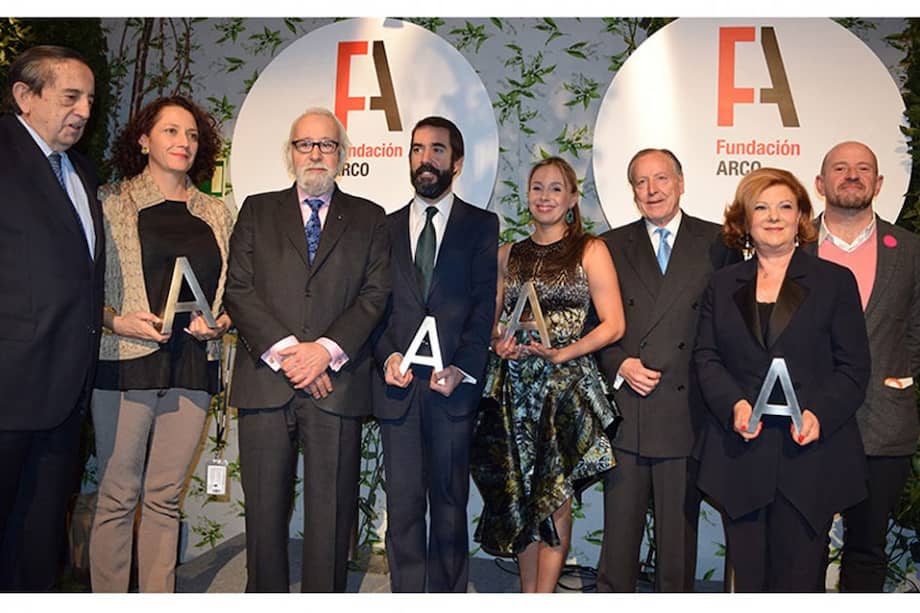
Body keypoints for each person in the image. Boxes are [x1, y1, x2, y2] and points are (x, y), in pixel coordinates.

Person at [224, 106, 390, 593]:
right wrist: (294, 353)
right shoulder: (256, 209)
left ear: (342, 154)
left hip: (335, 385)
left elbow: (375, 295)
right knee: (265, 508)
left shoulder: (369, 218)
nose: (316, 153)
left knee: (331, 512)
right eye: (305, 144)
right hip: (266, 381)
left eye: (327, 144)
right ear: (289, 153)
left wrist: (326, 352)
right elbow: (238, 289)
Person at [694, 167, 870, 591]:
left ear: (801, 217)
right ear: (745, 221)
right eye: (762, 207)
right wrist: (733, 404)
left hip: (809, 459)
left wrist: (819, 416)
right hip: (742, 455)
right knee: (749, 583)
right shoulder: (721, 285)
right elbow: (706, 357)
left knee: (799, 582)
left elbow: (854, 367)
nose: (774, 216)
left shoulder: (834, 282)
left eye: (785, 207)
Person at [87, 95, 233, 593]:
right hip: (126, 363)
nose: (183, 143)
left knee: (165, 496)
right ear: (144, 139)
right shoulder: (111, 202)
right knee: (117, 495)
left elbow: (233, 290)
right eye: (171, 132)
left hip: (193, 364)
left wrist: (220, 323)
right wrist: (116, 321)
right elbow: (80, 288)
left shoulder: (216, 211)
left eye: (192, 135)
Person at [470, 156, 625, 593]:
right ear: (527, 195)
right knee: (520, 496)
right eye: (538, 187)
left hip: (564, 391)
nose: (545, 197)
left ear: (573, 198)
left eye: (556, 189)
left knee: (554, 495)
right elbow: (489, 318)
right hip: (515, 391)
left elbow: (614, 324)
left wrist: (564, 353)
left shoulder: (591, 250)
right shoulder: (508, 255)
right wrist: (497, 342)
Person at [372, 116, 498, 592]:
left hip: (451, 390)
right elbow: (374, 306)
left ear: (457, 162)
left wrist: (463, 367)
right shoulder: (382, 229)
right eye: (418, 149)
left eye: (438, 150)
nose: (426, 159)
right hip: (397, 388)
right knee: (402, 503)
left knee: (449, 503)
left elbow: (484, 303)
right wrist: (386, 356)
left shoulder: (481, 225)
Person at [595, 148, 723, 592]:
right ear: (632, 192)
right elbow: (593, 326)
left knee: (677, 544)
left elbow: (728, 327)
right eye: (640, 182)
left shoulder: (719, 243)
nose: (652, 191)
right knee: (619, 541)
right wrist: (620, 362)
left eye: (661, 179)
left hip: (687, 411)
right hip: (629, 407)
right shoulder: (609, 246)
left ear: (681, 182)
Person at [0, 45, 103, 591]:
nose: (84, 110)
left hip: (65, 394)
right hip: (9, 388)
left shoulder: (81, 172)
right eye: (70, 97)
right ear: (25, 95)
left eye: (89, 98)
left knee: (39, 543)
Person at [808, 141, 920, 592]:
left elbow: (916, 328)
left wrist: (899, 372)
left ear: (878, 183)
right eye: (840, 167)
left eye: (862, 168)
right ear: (820, 184)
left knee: (867, 549)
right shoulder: (792, 245)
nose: (851, 175)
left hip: (883, 420)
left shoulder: (910, 249)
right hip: (808, 423)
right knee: (805, 544)